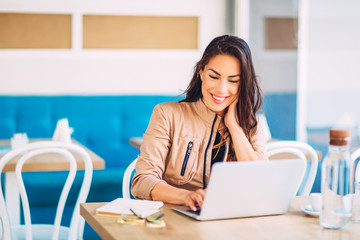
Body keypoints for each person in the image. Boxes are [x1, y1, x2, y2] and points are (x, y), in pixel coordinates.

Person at [131, 35, 268, 211]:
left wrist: (234, 127)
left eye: (233, 81)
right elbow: (142, 181)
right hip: (174, 223)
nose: (221, 89)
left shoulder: (251, 124)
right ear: (201, 72)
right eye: (214, 76)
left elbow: (261, 182)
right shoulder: (167, 114)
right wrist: (186, 196)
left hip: (230, 222)